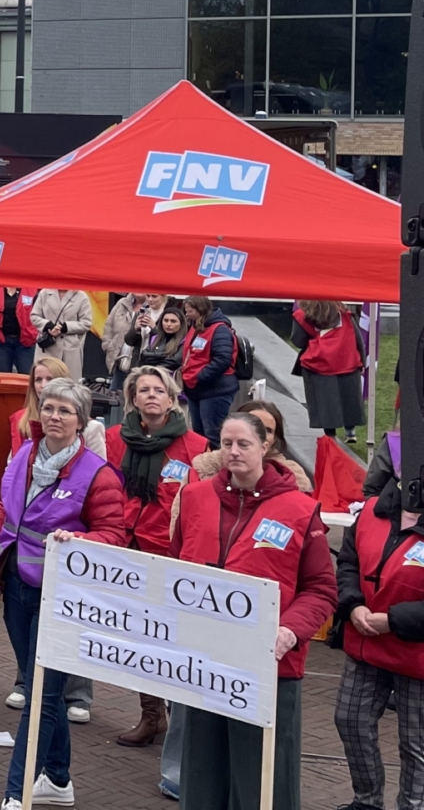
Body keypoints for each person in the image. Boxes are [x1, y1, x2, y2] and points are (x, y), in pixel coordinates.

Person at [0, 378, 128, 810]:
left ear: (81, 421)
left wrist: (80, 542)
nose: (54, 417)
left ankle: (15, 794)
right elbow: (4, 506)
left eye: (64, 411)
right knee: (45, 689)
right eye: (49, 408)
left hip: (62, 595)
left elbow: (115, 534)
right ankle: (58, 780)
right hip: (15, 583)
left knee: (41, 695)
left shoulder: (98, 473)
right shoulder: (24, 454)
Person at [173, 410, 335, 810]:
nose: (234, 451)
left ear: (266, 446)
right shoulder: (194, 498)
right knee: (202, 780)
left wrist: (289, 631)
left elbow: (321, 589)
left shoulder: (299, 509)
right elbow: (174, 571)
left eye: (244, 443)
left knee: (263, 784)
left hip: (269, 667)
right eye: (226, 443)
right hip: (204, 664)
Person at [102, 364, 209, 758]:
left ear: (171, 399)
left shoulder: (196, 447)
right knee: (138, 635)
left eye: (158, 390)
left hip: (168, 553)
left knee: (172, 639)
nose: (151, 395)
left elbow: (198, 508)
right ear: (132, 398)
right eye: (143, 389)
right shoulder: (115, 439)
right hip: (123, 547)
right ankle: (151, 713)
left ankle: (179, 719)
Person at [335, 438, 424, 810]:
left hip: (416, 655)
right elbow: (348, 563)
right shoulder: (371, 510)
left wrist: (394, 620)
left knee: (416, 742)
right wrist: (353, 605)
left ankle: (413, 804)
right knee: (349, 719)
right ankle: (367, 801)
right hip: (366, 641)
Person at [293, 299, 365, 442]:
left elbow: (298, 341)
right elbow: (358, 339)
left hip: (318, 364)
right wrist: (361, 361)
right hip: (346, 360)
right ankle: (350, 431)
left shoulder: (302, 316)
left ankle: (330, 435)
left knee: (325, 401)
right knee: (349, 397)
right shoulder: (343, 313)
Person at [181, 295, 240, 446]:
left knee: (213, 435)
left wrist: (200, 376)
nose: (186, 314)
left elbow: (222, 359)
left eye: (190, 311)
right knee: (199, 435)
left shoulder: (220, 329)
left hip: (215, 389)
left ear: (200, 310)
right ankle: (203, 466)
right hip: (196, 389)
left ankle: (216, 467)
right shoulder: (196, 327)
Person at [0, 287, 38, 375]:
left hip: (25, 343)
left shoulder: (31, 290)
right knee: (3, 378)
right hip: (1, 343)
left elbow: (38, 314)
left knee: (26, 377)